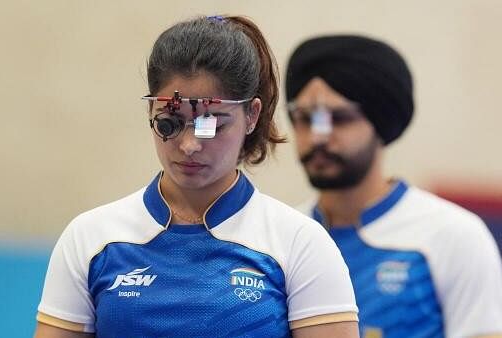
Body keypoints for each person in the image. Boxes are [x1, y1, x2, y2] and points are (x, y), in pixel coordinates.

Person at [33, 16, 359, 338]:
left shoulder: (300, 243)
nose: (189, 146)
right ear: (150, 112)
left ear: (251, 115)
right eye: (169, 123)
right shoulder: (90, 238)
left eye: (211, 124)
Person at [285, 34, 502, 338]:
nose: (318, 137)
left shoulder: (453, 236)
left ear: (381, 124)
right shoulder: (285, 237)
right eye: (305, 119)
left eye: (340, 118)